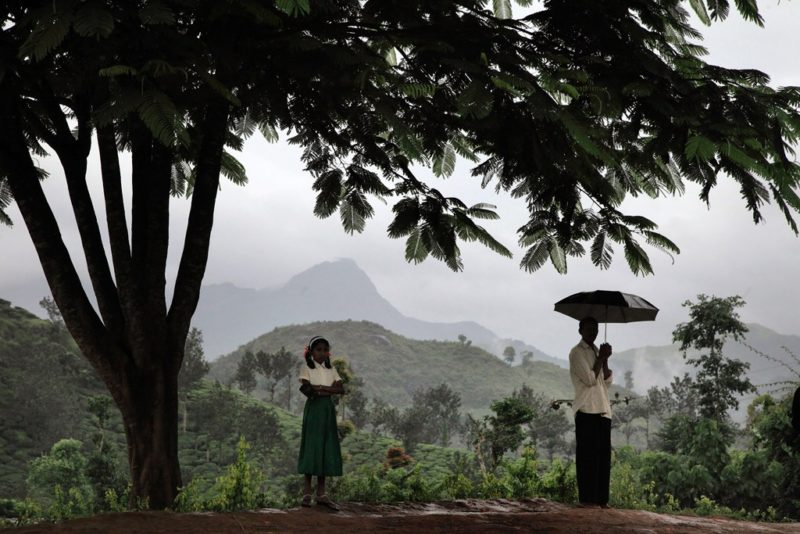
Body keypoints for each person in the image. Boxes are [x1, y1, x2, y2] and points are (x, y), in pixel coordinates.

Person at [569, 316, 613, 508]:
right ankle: (587, 499)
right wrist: (601, 358)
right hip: (587, 409)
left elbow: (607, 380)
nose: (593, 332)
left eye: (595, 328)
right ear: (580, 330)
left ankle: (601, 500)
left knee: (603, 457)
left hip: (603, 409)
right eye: (589, 329)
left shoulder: (596, 351)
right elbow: (589, 379)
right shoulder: (577, 353)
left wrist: (604, 359)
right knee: (588, 457)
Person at [297, 336, 345, 510]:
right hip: (314, 411)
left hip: (327, 411)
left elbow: (341, 389)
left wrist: (320, 388)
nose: (322, 353)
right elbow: (308, 391)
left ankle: (322, 494)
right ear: (311, 352)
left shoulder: (331, 369)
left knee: (325, 447)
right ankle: (307, 493)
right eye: (318, 349)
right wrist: (326, 390)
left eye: (325, 349)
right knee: (312, 447)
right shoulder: (306, 368)